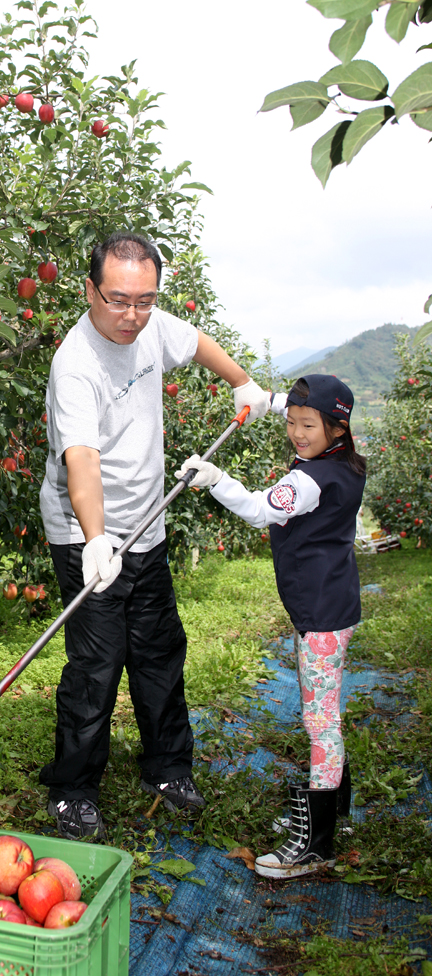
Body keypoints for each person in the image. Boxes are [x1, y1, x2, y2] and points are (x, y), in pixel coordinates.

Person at [38, 231, 272, 841]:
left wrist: (241, 382)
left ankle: (168, 769)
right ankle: (72, 789)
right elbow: (81, 461)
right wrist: (95, 541)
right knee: (96, 663)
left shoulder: (150, 325)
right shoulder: (76, 365)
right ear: (90, 290)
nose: (132, 316)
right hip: (85, 534)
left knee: (160, 650)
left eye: (145, 300)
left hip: (148, 525)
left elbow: (194, 342)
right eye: (117, 300)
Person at [176, 373, 366, 879]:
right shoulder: (342, 460)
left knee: (320, 722)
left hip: (321, 612)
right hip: (331, 601)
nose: (297, 433)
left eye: (308, 425)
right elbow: (306, 410)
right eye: (292, 423)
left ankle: (317, 845)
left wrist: (216, 479)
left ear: (336, 428)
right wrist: (269, 401)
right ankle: (336, 817)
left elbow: (261, 510)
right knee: (323, 714)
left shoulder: (310, 480)